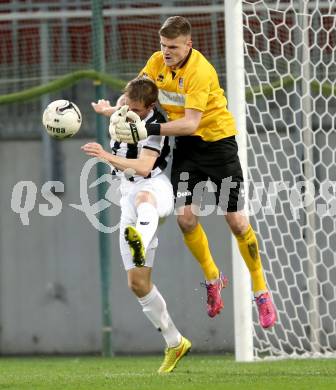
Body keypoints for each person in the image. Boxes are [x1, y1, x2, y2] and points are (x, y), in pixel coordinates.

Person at [93, 16, 276, 328]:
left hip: (218, 145)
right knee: (185, 217)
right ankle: (213, 279)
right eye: (163, 46)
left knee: (235, 219)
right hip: (188, 149)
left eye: (173, 47)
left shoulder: (200, 72)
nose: (166, 52)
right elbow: (136, 95)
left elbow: (191, 123)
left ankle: (261, 290)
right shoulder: (156, 61)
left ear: (188, 45)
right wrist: (117, 108)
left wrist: (146, 126)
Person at [82, 77, 191, 373]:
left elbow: (144, 167)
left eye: (136, 109)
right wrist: (106, 110)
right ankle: (175, 341)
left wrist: (105, 156)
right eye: (126, 105)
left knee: (144, 196)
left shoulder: (155, 124)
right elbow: (118, 112)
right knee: (137, 283)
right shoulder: (124, 106)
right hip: (126, 194)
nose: (129, 111)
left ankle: (139, 238)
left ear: (149, 107)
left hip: (154, 187)